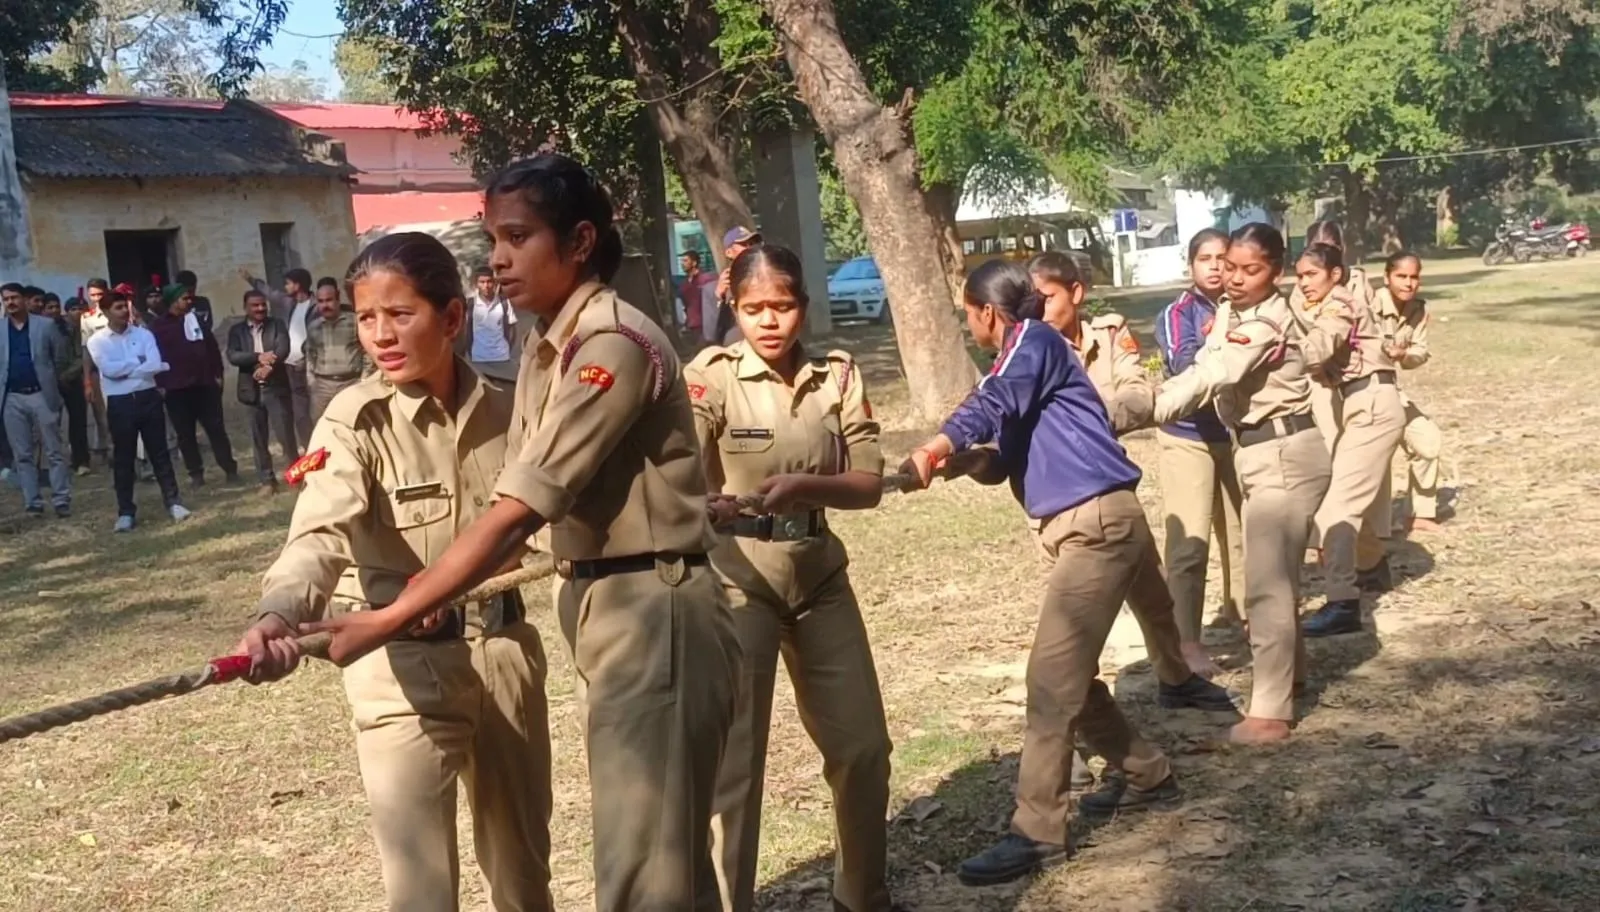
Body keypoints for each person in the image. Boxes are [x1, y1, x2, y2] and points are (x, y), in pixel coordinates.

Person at [303, 153, 742, 912]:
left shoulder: (608, 348)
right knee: (663, 863)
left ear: (577, 242)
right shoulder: (546, 349)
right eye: (491, 237)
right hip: (611, 609)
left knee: (643, 876)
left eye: (517, 237)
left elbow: (517, 511)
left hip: (652, 613)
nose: (497, 259)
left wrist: (391, 615)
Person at [235, 232, 554, 912]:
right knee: (420, 892)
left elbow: (551, 518)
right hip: (400, 675)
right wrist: (278, 615)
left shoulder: (512, 408)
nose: (380, 335)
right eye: (366, 318)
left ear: (453, 317)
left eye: (399, 314)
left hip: (503, 656)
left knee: (524, 872)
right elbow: (317, 532)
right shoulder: (352, 422)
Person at [902, 260, 1185, 887]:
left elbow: (992, 401)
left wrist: (935, 446)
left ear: (985, 311)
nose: (967, 322)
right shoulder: (1024, 358)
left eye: (966, 312)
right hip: (1088, 524)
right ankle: (1146, 773)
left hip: (1097, 525)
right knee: (1068, 677)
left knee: (1049, 683)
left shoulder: (1032, 343)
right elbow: (1002, 458)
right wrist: (960, 461)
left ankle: (1036, 832)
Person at [685, 245, 895, 912]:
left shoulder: (835, 374)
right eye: (753, 308)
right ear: (734, 309)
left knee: (862, 747)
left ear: (804, 305)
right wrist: (705, 502)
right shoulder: (713, 376)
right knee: (736, 768)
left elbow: (867, 486)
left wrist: (806, 486)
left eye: (782, 306)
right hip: (739, 578)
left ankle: (862, 896)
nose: (769, 321)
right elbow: (680, 477)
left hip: (819, 574)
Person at [1023, 250, 1236, 786]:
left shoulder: (1109, 335)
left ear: (1077, 293)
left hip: (1113, 487)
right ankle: (1064, 738)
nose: (1038, 307)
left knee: (1155, 598)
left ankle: (1174, 675)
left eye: (1047, 296)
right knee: (1073, 630)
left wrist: (1092, 419)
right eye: (1032, 297)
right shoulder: (1025, 346)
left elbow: (1139, 390)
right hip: (1067, 503)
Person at [1153, 223, 1351, 744]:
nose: (1234, 278)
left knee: (1265, 587)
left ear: (1277, 272)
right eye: (1230, 267)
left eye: (1250, 270)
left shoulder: (1261, 324)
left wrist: (1138, 410)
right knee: (1277, 577)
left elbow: (1209, 374)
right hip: (1265, 450)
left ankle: (1270, 712)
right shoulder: (1231, 312)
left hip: (1283, 454)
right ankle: (1291, 680)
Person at [1292, 242, 1406, 638]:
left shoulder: (1338, 304)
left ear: (1335, 274)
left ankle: (1343, 603)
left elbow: (1324, 341)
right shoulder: (1322, 303)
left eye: (1311, 274)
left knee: (1335, 511)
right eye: (1300, 274)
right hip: (1359, 402)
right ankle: (1372, 568)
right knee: (1344, 494)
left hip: (1372, 403)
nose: (1303, 282)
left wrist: (1280, 357)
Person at [1151, 229, 1247, 666]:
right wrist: (1221, 337)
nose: (1213, 266)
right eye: (1204, 258)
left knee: (1243, 536)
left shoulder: (1246, 308)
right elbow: (1185, 364)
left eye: (1221, 258)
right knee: (1190, 544)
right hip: (1188, 436)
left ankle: (1243, 617)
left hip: (1234, 434)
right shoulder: (1178, 313)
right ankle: (1187, 640)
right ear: (1190, 265)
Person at [85, 290, 191, 531]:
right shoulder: (97, 341)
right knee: (124, 458)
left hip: (147, 396)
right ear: (105, 312)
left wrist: (133, 368)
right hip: (120, 402)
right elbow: (109, 370)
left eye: (126, 306)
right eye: (118, 308)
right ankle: (125, 511)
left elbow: (155, 364)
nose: (124, 311)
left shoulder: (144, 334)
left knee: (159, 452)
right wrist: (138, 363)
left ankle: (173, 502)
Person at [1374, 251, 1442, 533]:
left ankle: (1419, 513)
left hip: (1391, 388)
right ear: (1386, 277)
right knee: (1376, 458)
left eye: (1414, 277)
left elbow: (1420, 352)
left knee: (1427, 441)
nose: (1408, 283)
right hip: (1361, 392)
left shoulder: (1417, 310)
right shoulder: (1368, 305)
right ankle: (1372, 528)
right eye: (1401, 276)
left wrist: (1403, 355)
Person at [148, 284, 238, 487]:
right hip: (176, 388)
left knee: (216, 429)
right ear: (173, 301)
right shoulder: (158, 327)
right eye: (185, 299)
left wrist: (218, 374)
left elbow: (212, 348)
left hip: (204, 384)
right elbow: (155, 356)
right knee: (185, 434)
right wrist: (160, 384)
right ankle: (196, 473)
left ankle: (229, 468)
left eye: (190, 299)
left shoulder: (196, 320)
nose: (189, 302)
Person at [2, 282, 72, 517]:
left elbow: (60, 357)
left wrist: (51, 382)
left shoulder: (46, 325)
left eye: (14, 298)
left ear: (24, 299)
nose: (10, 302)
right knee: (22, 454)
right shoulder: (0, 329)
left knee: (53, 450)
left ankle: (61, 498)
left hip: (41, 393)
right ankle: (32, 502)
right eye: (6, 299)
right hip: (12, 396)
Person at [226, 289, 298, 494]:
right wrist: (258, 358)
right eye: (255, 305)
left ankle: (296, 475)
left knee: (286, 435)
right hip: (251, 390)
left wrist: (269, 367)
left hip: (276, 387)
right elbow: (233, 355)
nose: (260, 308)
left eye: (262, 304)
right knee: (259, 438)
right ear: (245, 308)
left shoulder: (277, 325)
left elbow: (282, 348)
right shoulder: (236, 331)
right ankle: (267, 481)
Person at [241, 265, 316, 450]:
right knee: (294, 415)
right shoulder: (291, 304)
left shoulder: (316, 306)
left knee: (309, 412)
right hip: (290, 366)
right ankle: (304, 450)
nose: (285, 287)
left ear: (298, 285)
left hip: (308, 366)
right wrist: (251, 280)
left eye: (288, 283)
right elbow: (270, 293)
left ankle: (316, 448)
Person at [305, 277, 368, 423]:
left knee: (355, 423)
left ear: (338, 298)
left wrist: (364, 379)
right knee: (320, 426)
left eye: (329, 300)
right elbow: (310, 354)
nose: (325, 305)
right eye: (321, 301)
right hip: (322, 386)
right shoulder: (314, 326)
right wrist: (311, 380)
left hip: (351, 383)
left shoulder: (354, 322)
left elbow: (367, 352)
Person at [52, 295, 93, 475]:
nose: (78, 312)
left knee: (78, 422)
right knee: (53, 423)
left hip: (74, 379)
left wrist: (69, 375)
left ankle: (81, 460)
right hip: (54, 380)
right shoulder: (52, 329)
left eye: (80, 309)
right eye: (74, 309)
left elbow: (82, 355)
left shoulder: (81, 329)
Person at [709, 227, 762, 345]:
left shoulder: (767, 278)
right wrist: (718, 296)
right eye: (744, 244)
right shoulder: (716, 288)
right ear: (729, 253)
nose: (750, 248)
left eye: (752, 243)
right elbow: (710, 332)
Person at [466, 265, 519, 380]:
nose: (486, 286)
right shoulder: (470, 304)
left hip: (502, 357)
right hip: (478, 358)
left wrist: (507, 348)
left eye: (489, 282)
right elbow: (466, 330)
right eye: (482, 282)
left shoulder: (504, 302)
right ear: (476, 284)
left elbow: (512, 328)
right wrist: (470, 350)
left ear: (494, 283)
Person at [81, 279, 112, 463]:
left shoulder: (118, 311)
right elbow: (86, 351)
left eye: (100, 294)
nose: (97, 299)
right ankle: (111, 453)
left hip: (121, 370)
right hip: (98, 373)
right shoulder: (87, 318)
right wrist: (87, 381)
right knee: (103, 417)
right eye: (93, 295)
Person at [677, 249, 712, 340]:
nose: (682, 264)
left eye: (685, 261)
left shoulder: (705, 280)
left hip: (706, 324)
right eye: (681, 261)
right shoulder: (683, 285)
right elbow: (685, 305)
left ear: (694, 263)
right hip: (692, 325)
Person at [174, 270, 215, 334]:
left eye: (192, 291)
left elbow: (208, 324)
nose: (189, 296)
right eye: (187, 291)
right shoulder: (173, 306)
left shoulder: (203, 302)